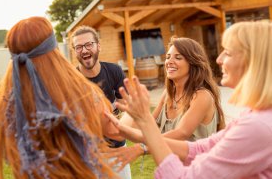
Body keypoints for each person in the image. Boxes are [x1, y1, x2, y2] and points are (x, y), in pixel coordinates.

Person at [109, 20, 272, 178]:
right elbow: (199, 148)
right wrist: (130, 129)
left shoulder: (257, 126)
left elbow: (183, 167)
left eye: (228, 52)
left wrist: (143, 135)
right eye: (168, 57)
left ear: (254, 62)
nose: (219, 59)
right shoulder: (252, 116)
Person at [0, 17, 123, 179]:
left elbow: (4, 150)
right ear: (54, 51)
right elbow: (118, 134)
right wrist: (136, 112)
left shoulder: (7, 111)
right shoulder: (83, 95)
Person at [106, 37, 225, 170]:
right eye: (168, 57)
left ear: (193, 62)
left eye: (178, 57)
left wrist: (142, 148)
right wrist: (132, 112)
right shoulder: (168, 94)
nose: (169, 62)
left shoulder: (202, 96)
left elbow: (181, 133)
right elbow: (146, 126)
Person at [71, 25, 131, 179]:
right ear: (74, 51)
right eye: (78, 47)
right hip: (86, 155)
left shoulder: (114, 71)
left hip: (116, 151)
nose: (84, 50)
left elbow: (127, 109)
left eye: (88, 44)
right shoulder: (71, 79)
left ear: (98, 46)